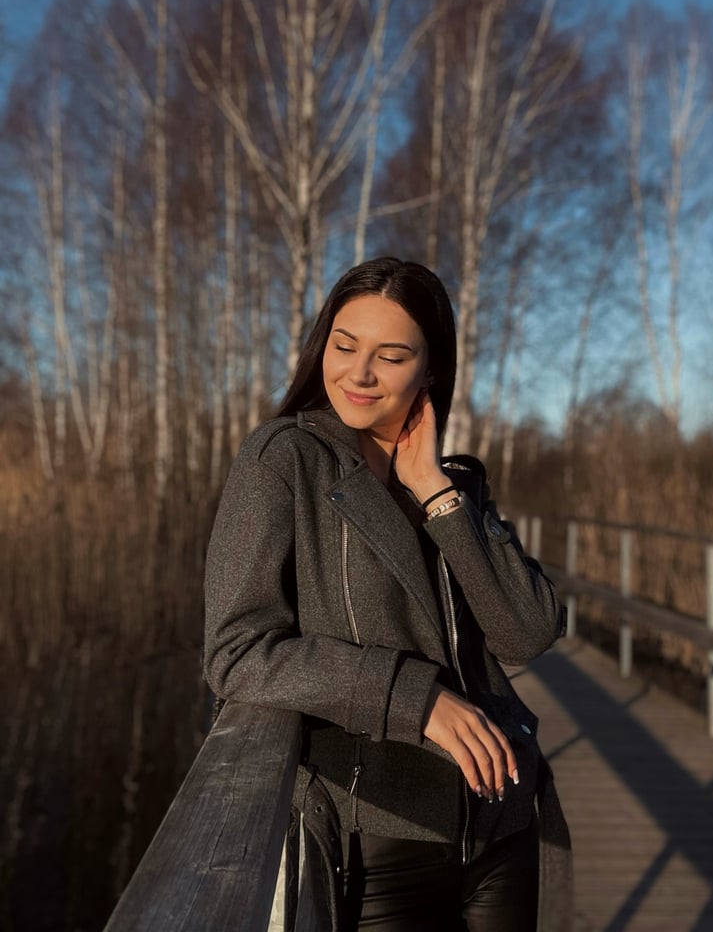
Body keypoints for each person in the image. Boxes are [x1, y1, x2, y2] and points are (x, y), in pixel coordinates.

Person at [204, 256, 571, 931]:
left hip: (501, 826)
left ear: (430, 370)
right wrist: (414, 699)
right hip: (377, 838)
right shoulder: (283, 460)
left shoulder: (451, 484)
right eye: (344, 346)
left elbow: (528, 632)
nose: (360, 373)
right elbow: (237, 652)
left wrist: (435, 491)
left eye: (392, 356)